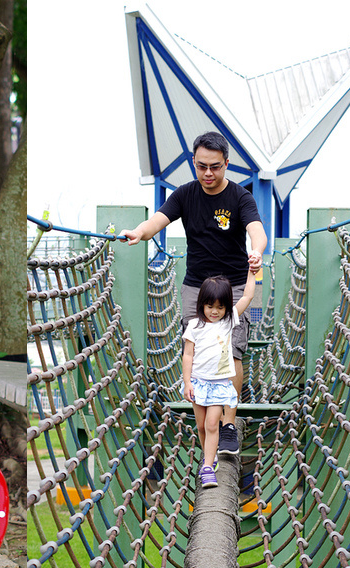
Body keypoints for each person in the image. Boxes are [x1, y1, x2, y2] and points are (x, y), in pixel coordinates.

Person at [120, 131, 267, 456]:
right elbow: (157, 221)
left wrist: (256, 252)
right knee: (199, 350)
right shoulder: (185, 195)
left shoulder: (241, 197)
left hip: (235, 287)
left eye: (215, 167)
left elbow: (257, 230)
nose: (208, 174)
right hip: (196, 288)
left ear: (226, 164)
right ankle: (206, 424)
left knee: (233, 351)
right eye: (201, 166)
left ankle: (228, 424)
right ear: (194, 164)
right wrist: (138, 233)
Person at [181, 272, 256, 488]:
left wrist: (252, 273)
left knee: (213, 423)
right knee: (202, 427)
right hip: (198, 383)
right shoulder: (194, 326)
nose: (215, 311)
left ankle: (207, 467)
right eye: (210, 306)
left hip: (219, 384)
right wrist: (187, 382)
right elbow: (188, 355)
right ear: (202, 305)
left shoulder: (228, 321)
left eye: (220, 307)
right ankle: (210, 456)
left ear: (226, 308)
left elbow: (247, 297)